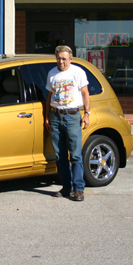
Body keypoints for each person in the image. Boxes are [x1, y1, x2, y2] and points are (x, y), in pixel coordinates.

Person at [45, 45, 90, 202]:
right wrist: (47, 116)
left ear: (70, 59)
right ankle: (66, 187)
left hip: (72, 116)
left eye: (64, 59)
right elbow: (49, 96)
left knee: (76, 155)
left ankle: (78, 189)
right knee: (60, 156)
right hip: (56, 117)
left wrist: (87, 114)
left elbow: (85, 93)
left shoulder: (78, 72)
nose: (61, 61)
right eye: (58, 58)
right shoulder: (52, 73)